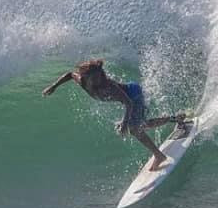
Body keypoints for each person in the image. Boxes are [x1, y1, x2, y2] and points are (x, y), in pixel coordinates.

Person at [42, 59, 185, 171]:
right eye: (94, 78)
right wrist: (53, 86)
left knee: (134, 128)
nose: (98, 80)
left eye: (100, 76)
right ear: (86, 76)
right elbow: (69, 74)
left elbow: (128, 103)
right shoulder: (83, 81)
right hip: (130, 97)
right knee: (141, 124)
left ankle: (159, 156)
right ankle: (174, 118)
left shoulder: (108, 86)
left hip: (133, 94)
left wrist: (124, 123)